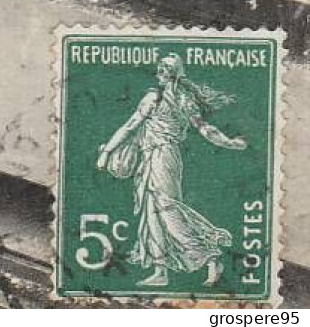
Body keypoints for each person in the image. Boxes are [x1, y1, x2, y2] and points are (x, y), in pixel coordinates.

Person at [95, 54, 247, 287]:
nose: (160, 70)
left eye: (165, 67)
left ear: (172, 73)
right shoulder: (159, 98)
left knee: (166, 209)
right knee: (151, 211)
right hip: (149, 157)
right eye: (161, 66)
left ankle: (209, 255)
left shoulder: (174, 99)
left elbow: (202, 128)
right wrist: (108, 151)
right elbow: (132, 125)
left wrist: (229, 143)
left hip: (164, 157)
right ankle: (160, 270)